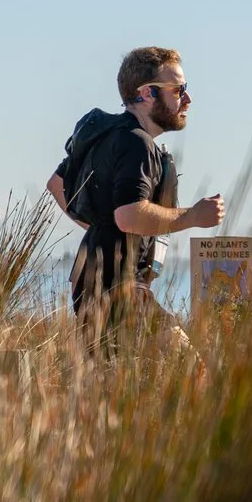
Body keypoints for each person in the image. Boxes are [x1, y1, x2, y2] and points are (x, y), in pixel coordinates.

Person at [58, 46, 223, 339]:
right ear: (147, 94)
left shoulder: (109, 133)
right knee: (192, 371)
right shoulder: (138, 144)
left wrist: (99, 226)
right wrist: (194, 215)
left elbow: (56, 185)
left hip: (92, 282)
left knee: (113, 380)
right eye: (178, 89)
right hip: (121, 289)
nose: (187, 98)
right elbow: (129, 215)